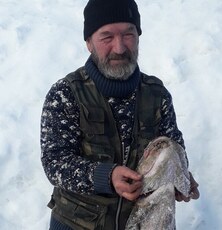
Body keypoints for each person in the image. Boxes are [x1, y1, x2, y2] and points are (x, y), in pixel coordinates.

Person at [40, 0, 200, 229]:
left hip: (142, 222)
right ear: (88, 42)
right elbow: (55, 162)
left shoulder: (157, 94)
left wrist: (178, 174)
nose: (120, 48)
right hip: (77, 223)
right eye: (107, 37)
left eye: (128, 34)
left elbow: (172, 146)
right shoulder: (66, 93)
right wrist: (106, 176)